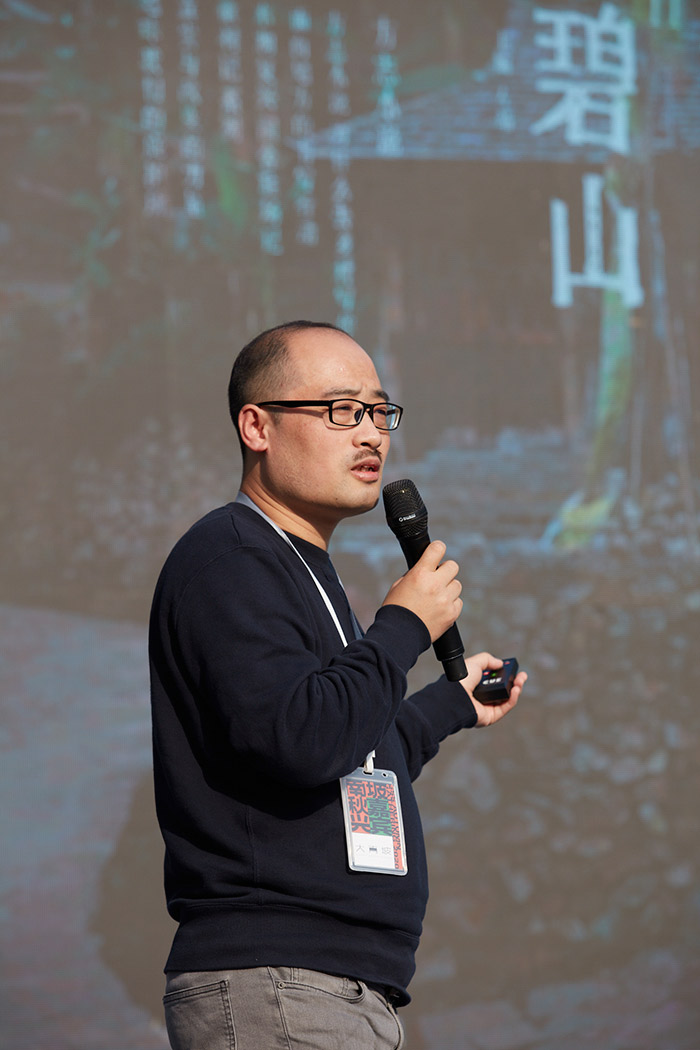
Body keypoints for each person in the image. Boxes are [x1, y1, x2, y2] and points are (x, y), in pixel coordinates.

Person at [149, 320, 526, 1050]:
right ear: (257, 426)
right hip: (277, 979)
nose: (371, 433)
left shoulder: (301, 567)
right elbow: (301, 740)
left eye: (380, 411)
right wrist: (404, 625)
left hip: (328, 985)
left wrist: (449, 706)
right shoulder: (231, 558)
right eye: (341, 410)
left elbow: (351, 752)